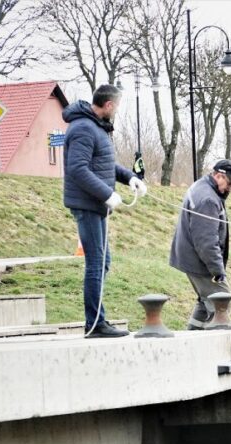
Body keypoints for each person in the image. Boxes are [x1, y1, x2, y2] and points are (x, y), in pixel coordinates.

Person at [62, 84, 147, 338]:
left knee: (103, 262)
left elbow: (104, 164)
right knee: (96, 263)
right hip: (87, 205)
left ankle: (98, 319)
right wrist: (106, 193)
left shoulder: (95, 127)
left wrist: (130, 177)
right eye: (117, 106)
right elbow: (77, 169)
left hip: (95, 205)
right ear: (108, 105)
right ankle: (95, 323)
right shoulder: (83, 128)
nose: (117, 111)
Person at [169, 159, 231, 330]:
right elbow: (206, 242)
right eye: (229, 183)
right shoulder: (208, 199)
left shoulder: (201, 186)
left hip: (188, 256)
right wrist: (218, 271)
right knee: (221, 302)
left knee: (205, 300)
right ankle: (218, 345)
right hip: (199, 260)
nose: (230, 188)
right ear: (218, 176)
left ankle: (192, 334)